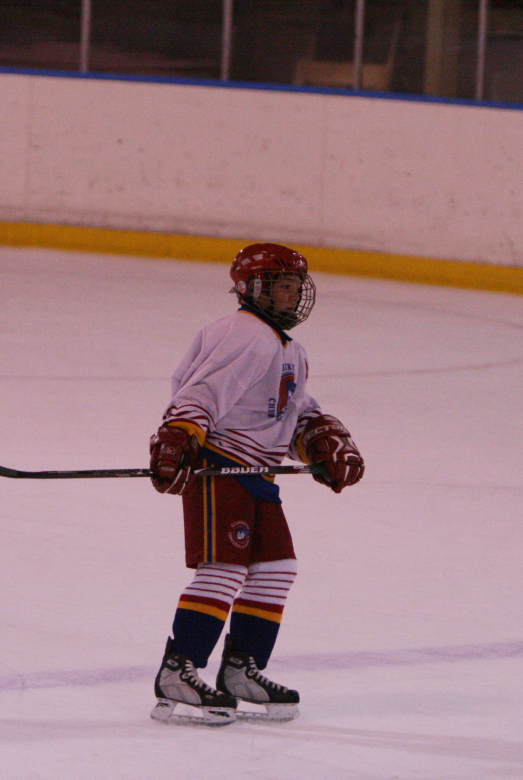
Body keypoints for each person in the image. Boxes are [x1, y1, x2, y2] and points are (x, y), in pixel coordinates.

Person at [148, 243, 364, 726]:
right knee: (224, 569)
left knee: (276, 569)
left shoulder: (289, 348)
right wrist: (179, 435)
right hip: (220, 466)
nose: (290, 295)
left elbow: (291, 413)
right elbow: (202, 392)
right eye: (280, 286)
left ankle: (240, 670)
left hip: (257, 475)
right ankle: (178, 670)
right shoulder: (243, 333)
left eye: (295, 286)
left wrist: (319, 439)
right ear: (252, 288)